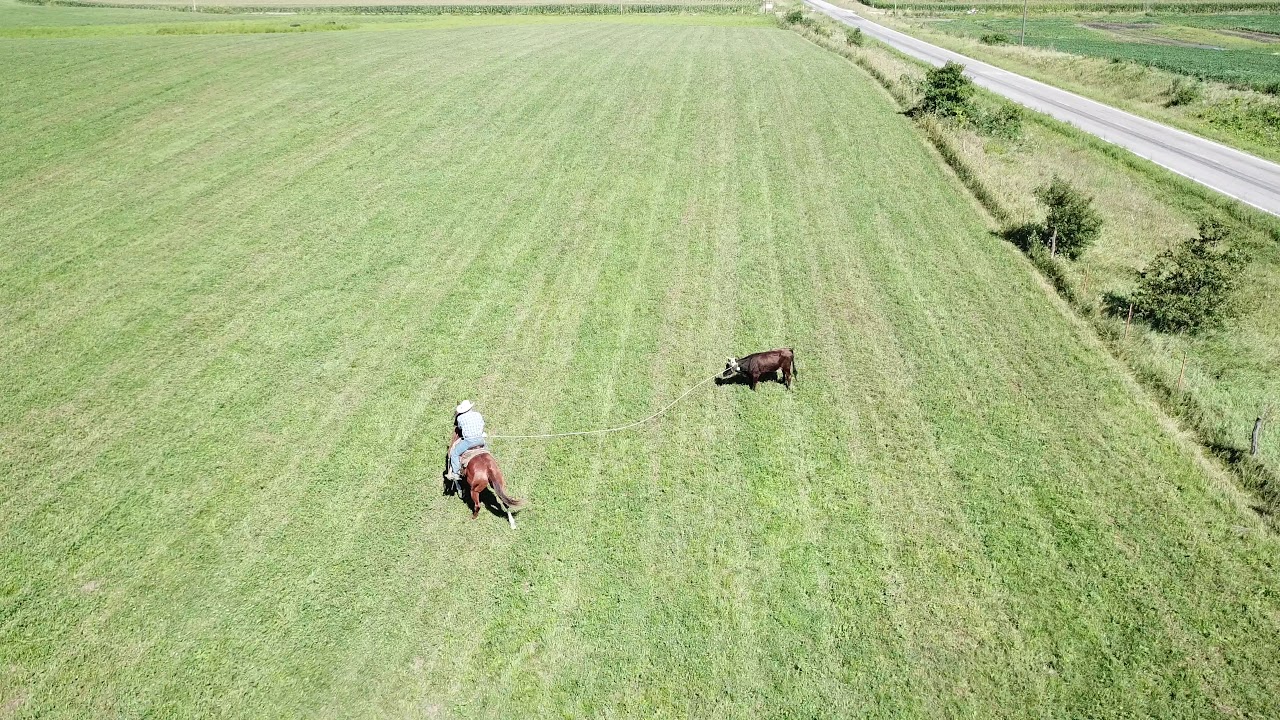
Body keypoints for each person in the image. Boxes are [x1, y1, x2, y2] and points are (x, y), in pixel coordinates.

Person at [446, 399, 485, 482]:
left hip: (469, 442)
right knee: (486, 450)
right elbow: (482, 425)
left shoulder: (460, 418)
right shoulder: (478, 414)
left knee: (455, 453)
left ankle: (455, 473)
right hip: (480, 440)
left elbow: (460, 428)